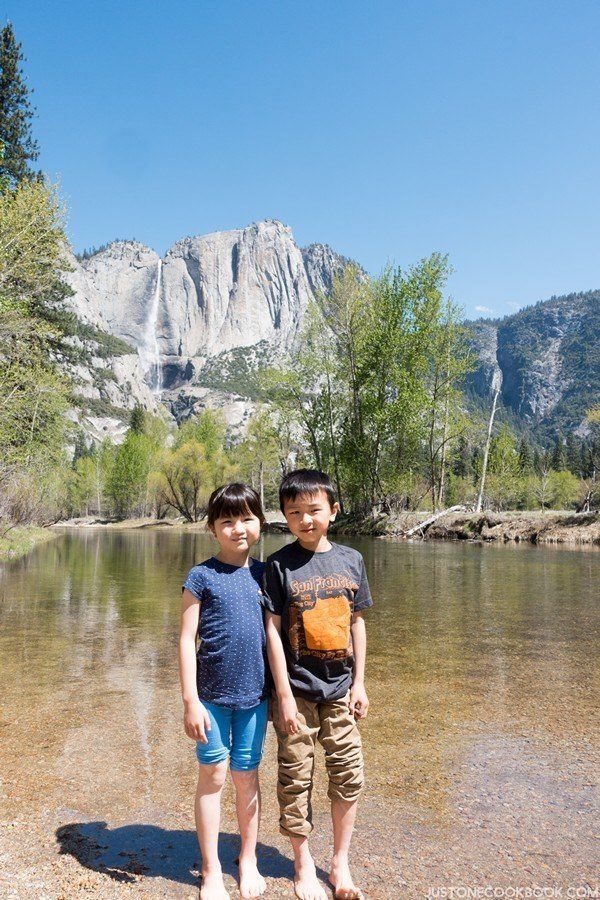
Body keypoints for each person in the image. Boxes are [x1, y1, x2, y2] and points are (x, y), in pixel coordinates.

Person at [263, 469, 373, 900]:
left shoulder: (352, 560)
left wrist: (361, 683)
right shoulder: (278, 564)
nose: (305, 519)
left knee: (348, 773)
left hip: (341, 690)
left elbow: (357, 623)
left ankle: (340, 860)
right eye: (295, 512)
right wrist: (284, 696)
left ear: (333, 511)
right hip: (295, 693)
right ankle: (303, 861)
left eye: (314, 510)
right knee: (295, 777)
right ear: (285, 517)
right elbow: (271, 630)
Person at [179, 483, 269, 900]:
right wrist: (190, 702)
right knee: (213, 775)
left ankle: (247, 859)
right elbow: (185, 640)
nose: (238, 528)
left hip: (255, 698)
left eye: (246, 518)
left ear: (260, 524)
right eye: (227, 521)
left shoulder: (266, 575)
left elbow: (279, 637)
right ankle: (211, 869)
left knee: (246, 777)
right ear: (213, 529)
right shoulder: (201, 576)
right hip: (210, 698)